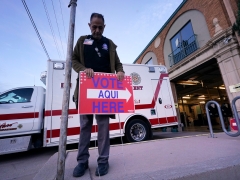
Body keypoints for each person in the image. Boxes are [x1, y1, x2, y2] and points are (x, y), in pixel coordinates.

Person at [72, 13, 125, 177]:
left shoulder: (109, 44)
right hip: (86, 91)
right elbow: (73, 60)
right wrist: (83, 69)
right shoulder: (82, 41)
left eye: (100, 27)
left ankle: (103, 161)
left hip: (104, 93)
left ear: (104, 27)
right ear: (89, 25)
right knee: (85, 127)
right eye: (94, 26)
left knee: (103, 128)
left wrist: (120, 71)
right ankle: (82, 162)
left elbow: (117, 62)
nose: (97, 30)